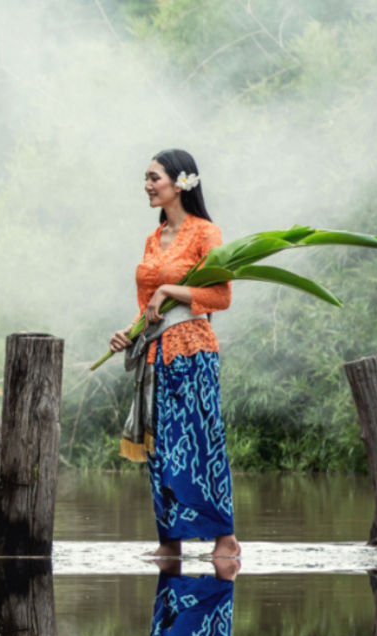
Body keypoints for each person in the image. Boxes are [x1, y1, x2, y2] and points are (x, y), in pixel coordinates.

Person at [109, 149, 240, 559]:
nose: (147, 185)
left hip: (193, 351)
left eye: (154, 178)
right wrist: (128, 334)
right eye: (146, 178)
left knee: (201, 441)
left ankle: (224, 539)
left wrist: (168, 291)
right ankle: (170, 542)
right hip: (155, 354)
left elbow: (220, 296)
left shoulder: (206, 233)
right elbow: (147, 306)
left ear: (180, 182)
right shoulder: (153, 237)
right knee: (162, 447)